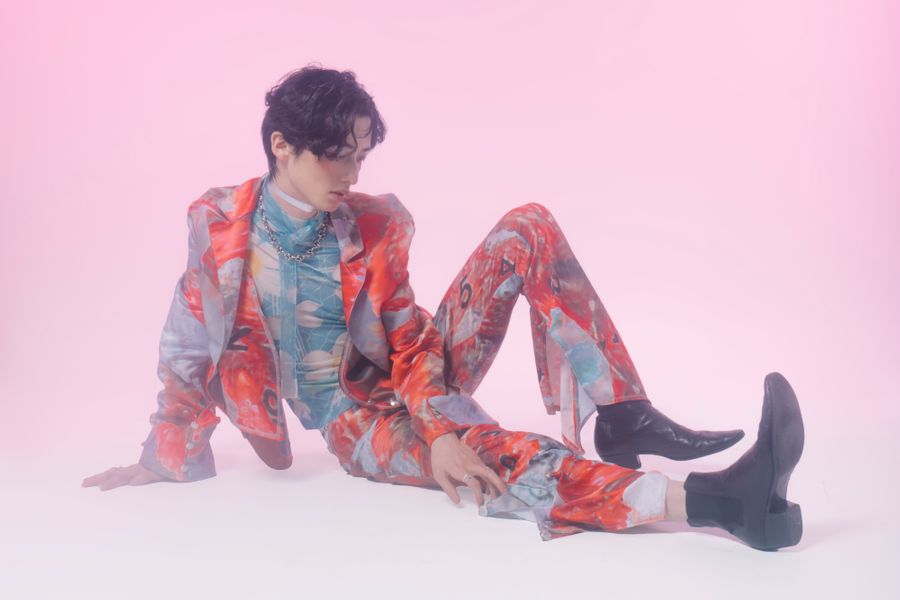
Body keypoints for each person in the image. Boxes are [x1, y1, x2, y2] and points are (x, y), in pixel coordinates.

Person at [82, 65, 805, 550]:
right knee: (490, 454)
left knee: (526, 224)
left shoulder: (376, 223)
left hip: (417, 376)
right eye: (336, 155)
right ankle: (717, 503)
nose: (353, 173)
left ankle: (623, 413)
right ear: (282, 145)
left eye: (361, 155)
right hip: (355, 422)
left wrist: (435, 424)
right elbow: (187, 346)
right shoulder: (219, 227)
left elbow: (409, 338)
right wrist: (167, 451)